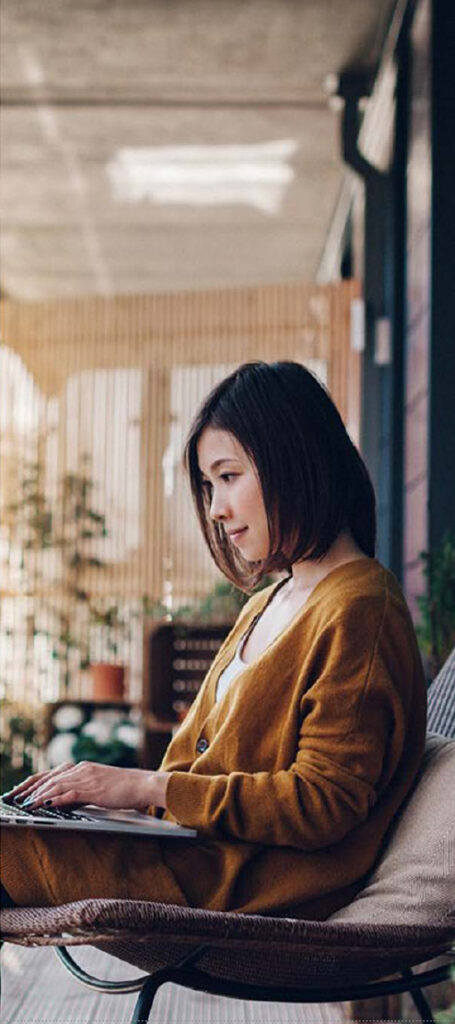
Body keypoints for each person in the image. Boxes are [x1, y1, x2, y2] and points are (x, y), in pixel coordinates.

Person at [1, 360, 426, 918]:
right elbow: (194, 768)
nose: (217, 509)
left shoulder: (361, 609)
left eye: (228, 477)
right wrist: (111, 804)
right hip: (190, 855)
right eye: (209, 486)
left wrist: (142, 788)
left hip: (247, 883)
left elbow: (323, 803)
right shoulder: (267, 603)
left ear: (292, 460)